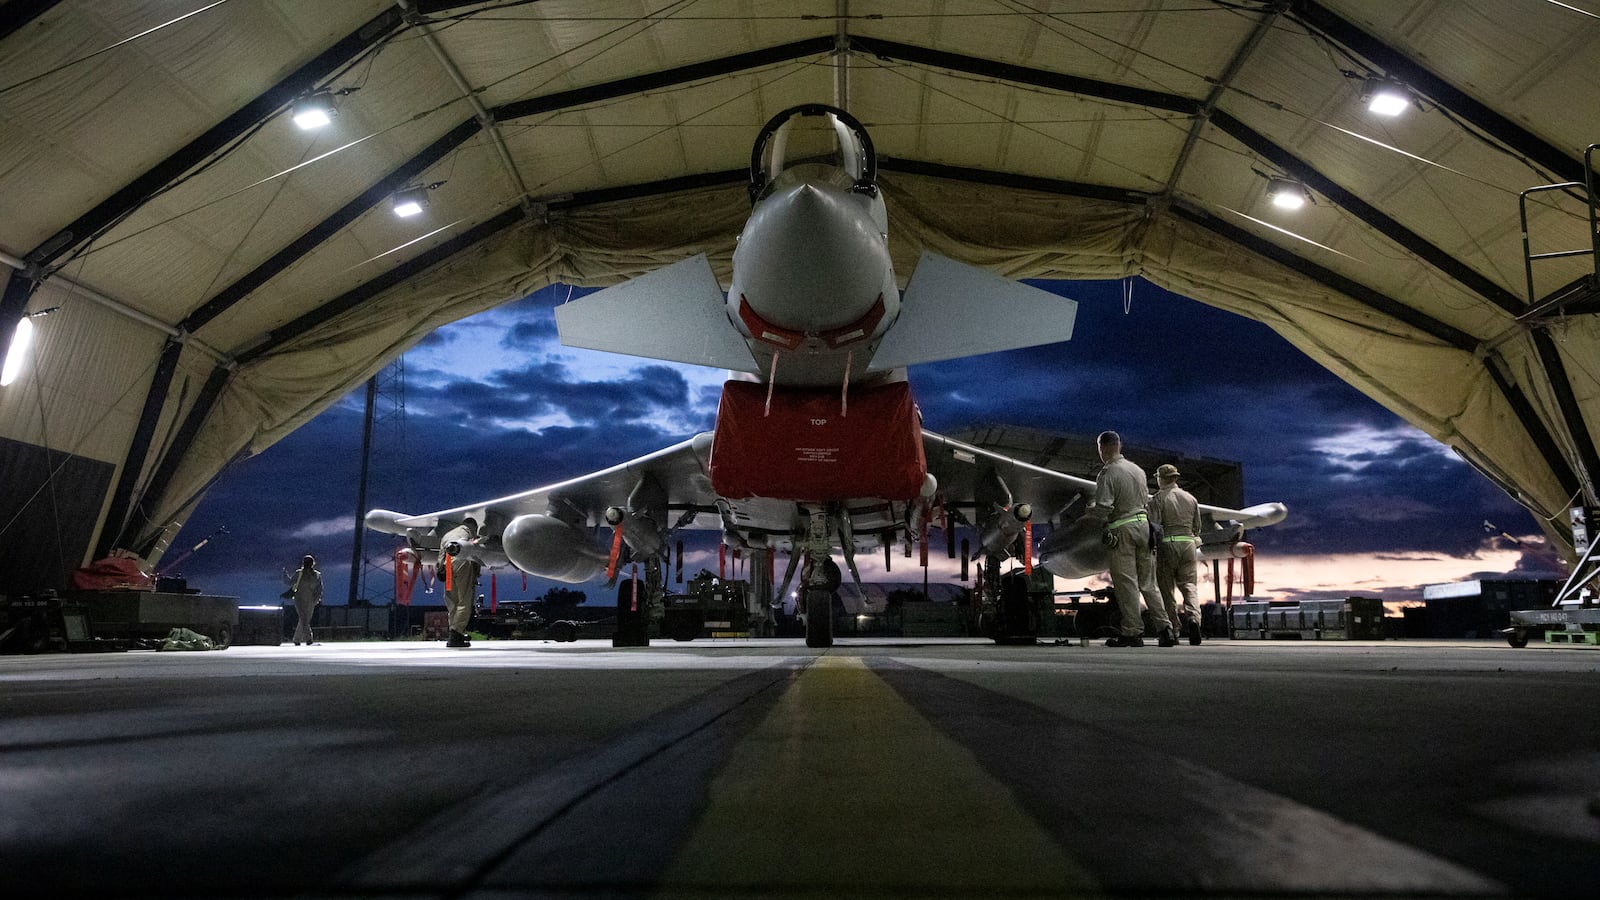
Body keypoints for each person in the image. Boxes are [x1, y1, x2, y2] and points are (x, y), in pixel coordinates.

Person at [1091, 431, 1175, 647]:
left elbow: (1104, 507)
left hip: (1122, 530)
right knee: (1149, 583)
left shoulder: (1108, 473)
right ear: (1120, 445)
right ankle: (1166, 629)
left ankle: (1132, 632)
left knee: (1127, 583)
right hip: (1144, 528)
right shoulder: (1137, 470)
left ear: (1103, 448)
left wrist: (1090, 512)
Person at [1150, 463, 1204, 645]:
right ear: (1175, 478)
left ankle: (1173, 629)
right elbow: (1197, 528)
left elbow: (1155, 526)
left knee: (1166, 590)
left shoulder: (1158, 499)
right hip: (1189, 545)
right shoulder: (1191, 498)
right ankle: (1194, 620)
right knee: (1190, 586)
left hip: (1167, 545)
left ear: (1161, 479)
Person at [438, 517, 481, 647]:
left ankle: (453, 631)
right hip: (462, 563)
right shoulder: (469, 533)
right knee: (465, 599)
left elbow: (441, 554)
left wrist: (440, 569)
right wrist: (476, 573)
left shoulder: (448, 534)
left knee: (452, 599)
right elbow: (475, 554)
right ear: (473, 526)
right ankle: (457, 633)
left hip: (448, 564)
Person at [282, 555, 322, 646]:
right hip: (299, 599)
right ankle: (308, 638)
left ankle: (297, 639)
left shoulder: (316, 575)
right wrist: (285, 575)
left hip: (310, 600)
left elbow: (319, 589)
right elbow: (290, 582)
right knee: (304, 618)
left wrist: (316, 599)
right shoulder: (300, 573)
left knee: (305, 619)